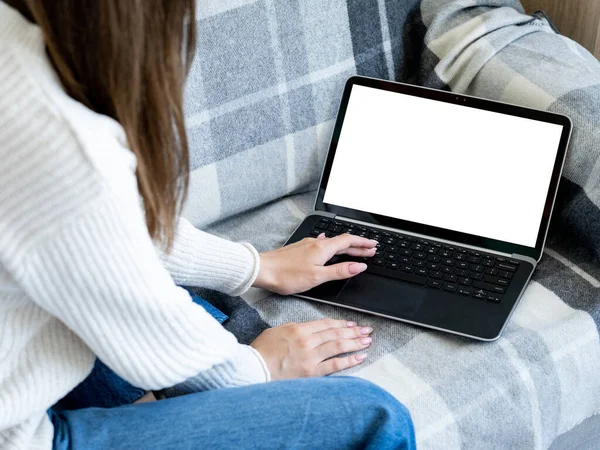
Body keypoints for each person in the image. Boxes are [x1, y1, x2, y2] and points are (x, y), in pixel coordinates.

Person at [0, 1, 415, 449]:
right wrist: (258, 370)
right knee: (373, 416)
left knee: (184, 317)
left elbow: (88, 232)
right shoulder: (56, 140)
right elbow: (80, 207)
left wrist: (256, 266)